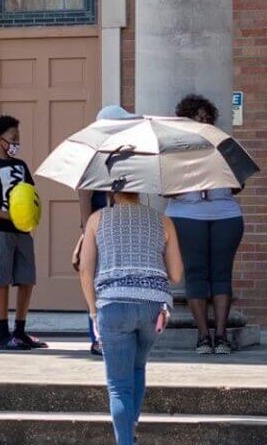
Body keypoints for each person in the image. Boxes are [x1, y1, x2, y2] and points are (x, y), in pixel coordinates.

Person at [77, 187, 182, 445]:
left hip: (112, 306)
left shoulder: (97, 219)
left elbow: (84, 272)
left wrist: (93, 312)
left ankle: (126, 440)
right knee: (137, 366)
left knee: (118, 385)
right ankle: (131, 429)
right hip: (153, 308)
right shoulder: (163, 220)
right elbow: (177, 274)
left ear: (111, 190)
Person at [168, 95, 246, 355]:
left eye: (207, 117)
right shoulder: (174, 148)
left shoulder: (225, 144)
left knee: (222, 274)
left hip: (224, 213)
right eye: (197, 117)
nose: (203, 121)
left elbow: (238, 186)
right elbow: (165, 190)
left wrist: (219, 167)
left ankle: (221, 336)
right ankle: (203, 336)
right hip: (187, 215)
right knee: (196, 274)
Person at [75, 104, 138, 357]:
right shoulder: (94, 155)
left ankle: (118, 333)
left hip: (122, 222)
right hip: (100, 223)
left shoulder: (126, 154)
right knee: (97, 280)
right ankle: (98, 337)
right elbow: (84, 192)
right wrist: (86, 228)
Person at [0, 115, 45, 350]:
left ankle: (20, 331)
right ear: (0, 141)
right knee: (2, 280)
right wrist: (8, 216)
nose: (17, 142)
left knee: (26, 279)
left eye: (18, 138)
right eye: (13, 138)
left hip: (23, 231)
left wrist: (31, 216)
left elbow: (30, 196)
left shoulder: (22, 166)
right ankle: (3, 333)